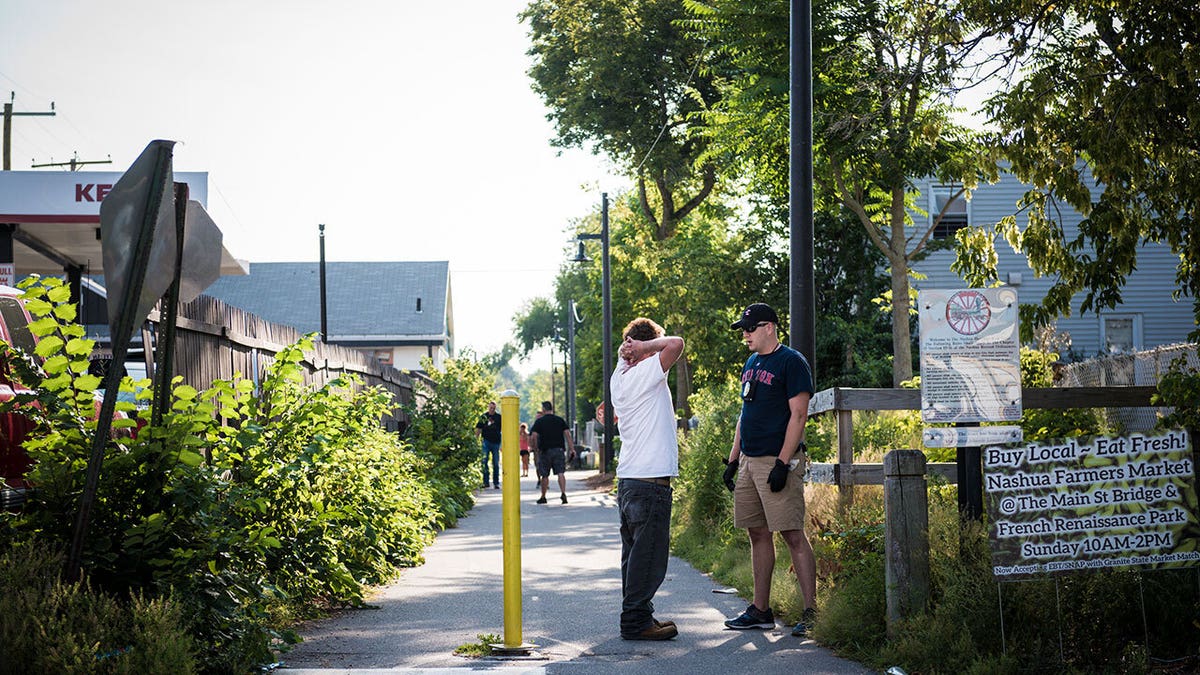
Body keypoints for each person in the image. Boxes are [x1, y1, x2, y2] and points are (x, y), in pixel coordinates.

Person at [721, 302, 818, 637]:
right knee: (757, 533)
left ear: (769, 327)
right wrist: (733, 460)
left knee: (792, 533)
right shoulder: (751, 363)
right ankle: (761, 610)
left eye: (750, 328)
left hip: (777, 462)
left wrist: (781, 462)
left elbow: (799, 415)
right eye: (743, 329)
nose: (745, 334)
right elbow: (743, 415)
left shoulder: (791, 362)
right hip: (749, 460)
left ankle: (812, 611)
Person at [610, 317, 684, 641]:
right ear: (641, 351)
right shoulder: (645, 372)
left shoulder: (619, 376)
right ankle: (636, 622)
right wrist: (643, 347)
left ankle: (638, 616)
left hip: (629, 481)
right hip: (649, 482)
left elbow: (627, 354)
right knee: (648, 556)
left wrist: (629, 347)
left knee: (634, 556)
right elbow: (676, 344)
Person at [530, 401, 574, 504]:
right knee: (560, 473)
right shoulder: (559, 420)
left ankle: (543, 496)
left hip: (545, 451)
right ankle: (563, 493)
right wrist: (572, 449)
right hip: (558, 450)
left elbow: (534, 436)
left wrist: (536, 448)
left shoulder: (540, 421)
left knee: (545, 475)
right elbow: (567, 434)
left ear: (544, 409)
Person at [475, 401, 502, 490]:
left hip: (496, 442)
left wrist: (503, 444)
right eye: (491, 408)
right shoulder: (484, 416)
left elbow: (504, 429)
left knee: (496, 463)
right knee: (484, 461)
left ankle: (496, 483)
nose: (492, 409)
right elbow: (478, 428)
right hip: (486, 441)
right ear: (488, 407)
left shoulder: (499, 417)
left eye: (493, 408)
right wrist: (476, 440)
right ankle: (485, 482)